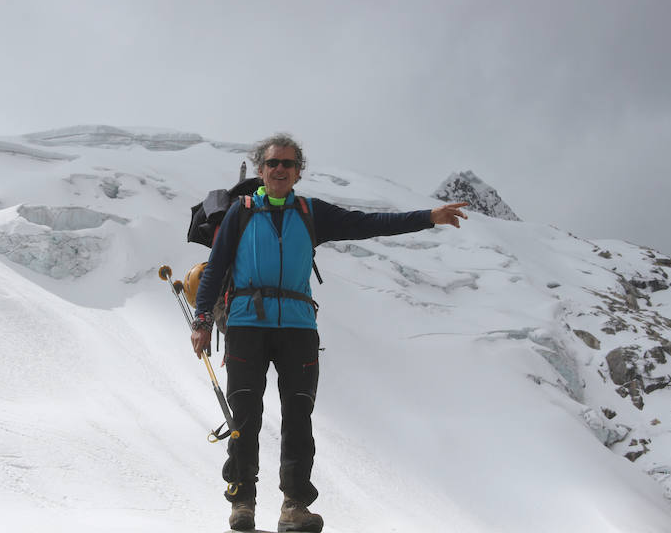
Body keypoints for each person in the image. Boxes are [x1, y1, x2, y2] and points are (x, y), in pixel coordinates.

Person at [190, 134, 467, 532]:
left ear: (299, 171)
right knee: (245, 414)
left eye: (288, 164)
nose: (280, 169)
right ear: (261, 170)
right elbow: (215, 268)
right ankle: (242, 501)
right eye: (273, 164)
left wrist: (428, 217)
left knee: (299, 417)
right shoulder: (242, 211)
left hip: (299, 327)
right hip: (247, 324)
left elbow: (369, 224)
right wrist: (202, 320)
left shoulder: (311, 212)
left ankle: (294, 507)